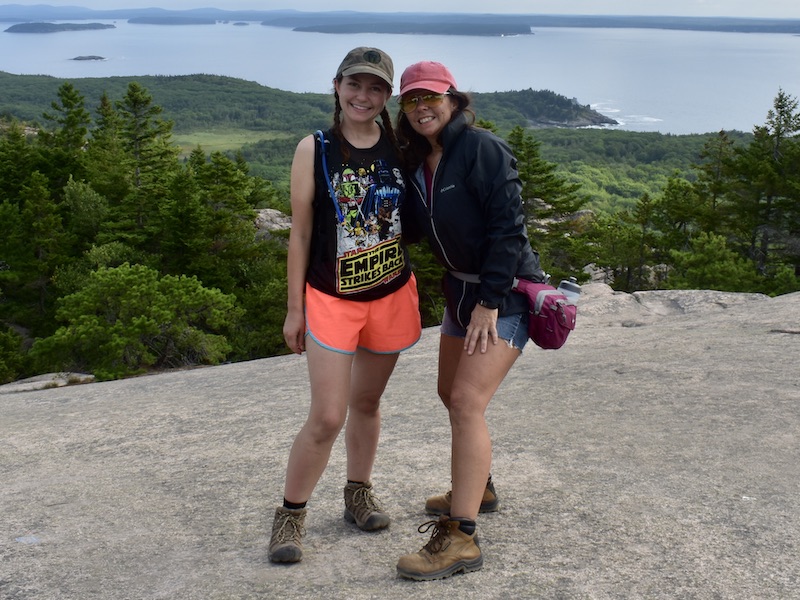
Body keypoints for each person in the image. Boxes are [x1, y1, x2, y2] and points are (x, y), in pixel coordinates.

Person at [269, 47, 421, 564]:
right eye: (355, 84)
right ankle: (290, 515)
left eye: (376, 87)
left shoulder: (401, 147)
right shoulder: (314, 149)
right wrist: (295, 309)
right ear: (336, 86)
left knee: (368, 403)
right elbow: (302, 231)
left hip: (391, 291)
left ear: (387, 96)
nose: (364, 96)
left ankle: (357, 493)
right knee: (328, 415)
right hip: (331, 296)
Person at [394, 61, 545, 580]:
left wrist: (491, 301)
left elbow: (509, 230)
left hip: (502, 295)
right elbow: (415, 229)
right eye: (411, 100)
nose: (421, 108)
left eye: (430, 97)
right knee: (447, 392)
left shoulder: (482, 149)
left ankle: (462, 537)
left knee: (466, 401)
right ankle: (478, 487)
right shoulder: (419, 161)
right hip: (460, 290)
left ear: (454, 100)